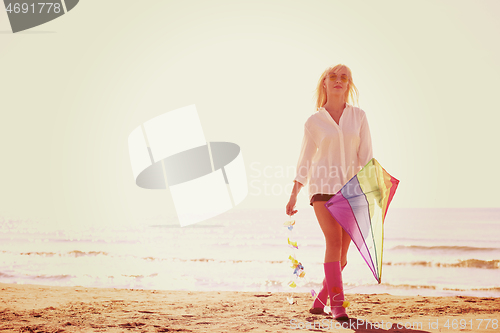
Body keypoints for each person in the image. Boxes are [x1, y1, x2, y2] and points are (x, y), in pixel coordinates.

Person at [285, 64, 373, 320]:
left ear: (349, 84)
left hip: (352, 190)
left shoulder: (359, 117)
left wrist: (371, 187)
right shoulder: (314, 122)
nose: (338, 80)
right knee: (333, 242)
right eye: (332, 77)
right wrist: (294, 193)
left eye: (343, 77)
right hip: (322, 188)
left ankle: (320, 299)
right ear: (324, 83)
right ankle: (337, 306)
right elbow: (305, 160)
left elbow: (366, 157)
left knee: (342, 258)